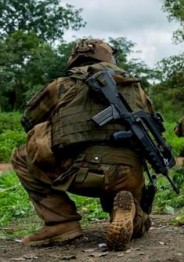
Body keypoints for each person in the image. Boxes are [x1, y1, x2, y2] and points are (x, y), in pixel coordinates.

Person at [12, 38, 156, 251]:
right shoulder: (137, 90)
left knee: (21, 155)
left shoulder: (61, 86)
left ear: (74, 59)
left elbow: (28, 120)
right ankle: (131, 214)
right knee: (124, 195)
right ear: (110, 58)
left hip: (80, 172)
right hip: (128, 174)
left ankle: (61, 223)